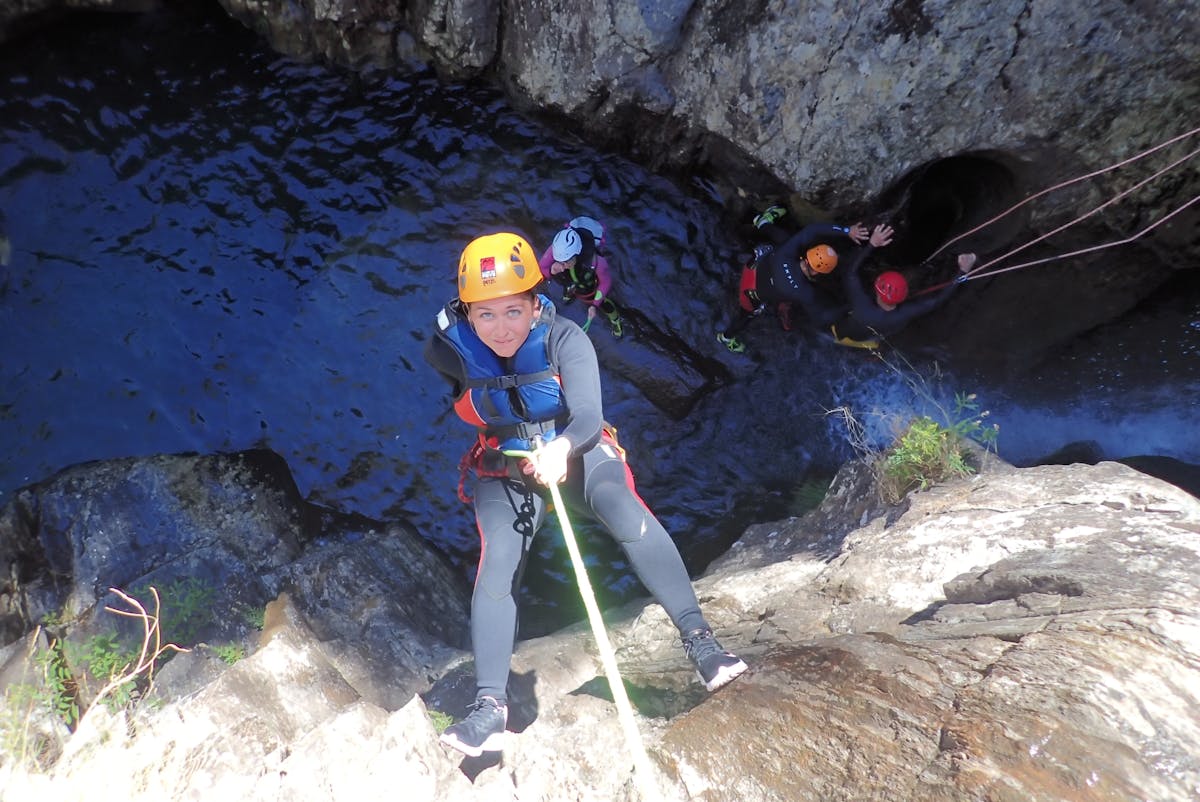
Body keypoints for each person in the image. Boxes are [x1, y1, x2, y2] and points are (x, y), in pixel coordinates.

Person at [425, 232, 747, 758]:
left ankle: (702, 643)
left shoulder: (565, 338)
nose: (502, 328)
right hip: (505, 461)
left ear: (535, 303)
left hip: (575, 448)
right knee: (497, 562)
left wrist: (562, 448)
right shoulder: (446, 347)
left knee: (622, 507)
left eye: (513, 310)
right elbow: (466, 392)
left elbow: (590, 419)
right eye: (485, 315)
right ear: (466, 314)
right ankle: (489, 707)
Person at [716, 219, 868, 352]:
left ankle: (762, 223)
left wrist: (847, 230)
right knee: (749, 313)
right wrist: (850, 307)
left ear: (809, 254)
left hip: (752, 267)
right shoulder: (804, 292)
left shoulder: (787, 251)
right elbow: (821, 317)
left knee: (783, 240)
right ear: (817, 273)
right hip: (750, 293)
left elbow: (812, 230)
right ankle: (726, 337)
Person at [830, 223, 975, 347]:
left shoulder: (862, 304)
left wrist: (872, 244)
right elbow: (936, 301)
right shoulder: (905, 313)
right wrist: (963, 271)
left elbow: (850, 273)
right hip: (875, 338)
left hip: (845, 334)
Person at [539, 216, 624, 338]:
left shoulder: (597, 262)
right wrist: (552, 271)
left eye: (565, 262)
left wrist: (594, 305)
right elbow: (542, 268)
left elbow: (605, 283)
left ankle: (616, 321)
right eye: (559, 261)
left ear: (576, 254)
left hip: (588, 283)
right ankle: (569, 293)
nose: (562, 265)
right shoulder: (556, 251)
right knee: (569, 284)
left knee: (604, 304)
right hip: (571, 279)